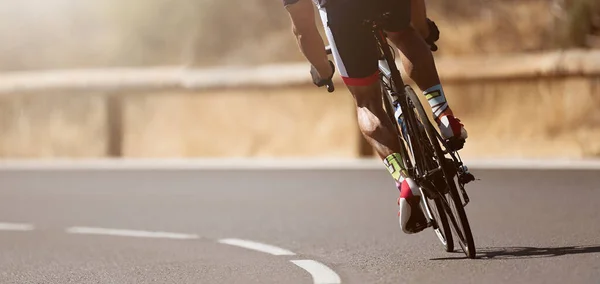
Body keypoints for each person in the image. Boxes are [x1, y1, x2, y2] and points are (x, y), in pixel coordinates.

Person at [282, 0, 468, 234]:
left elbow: (303, 29)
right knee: (404, 35)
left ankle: (403, 180)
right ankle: (443, 114)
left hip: (342, 12)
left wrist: (323, 70)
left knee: (367, 101)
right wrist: (422, 31)